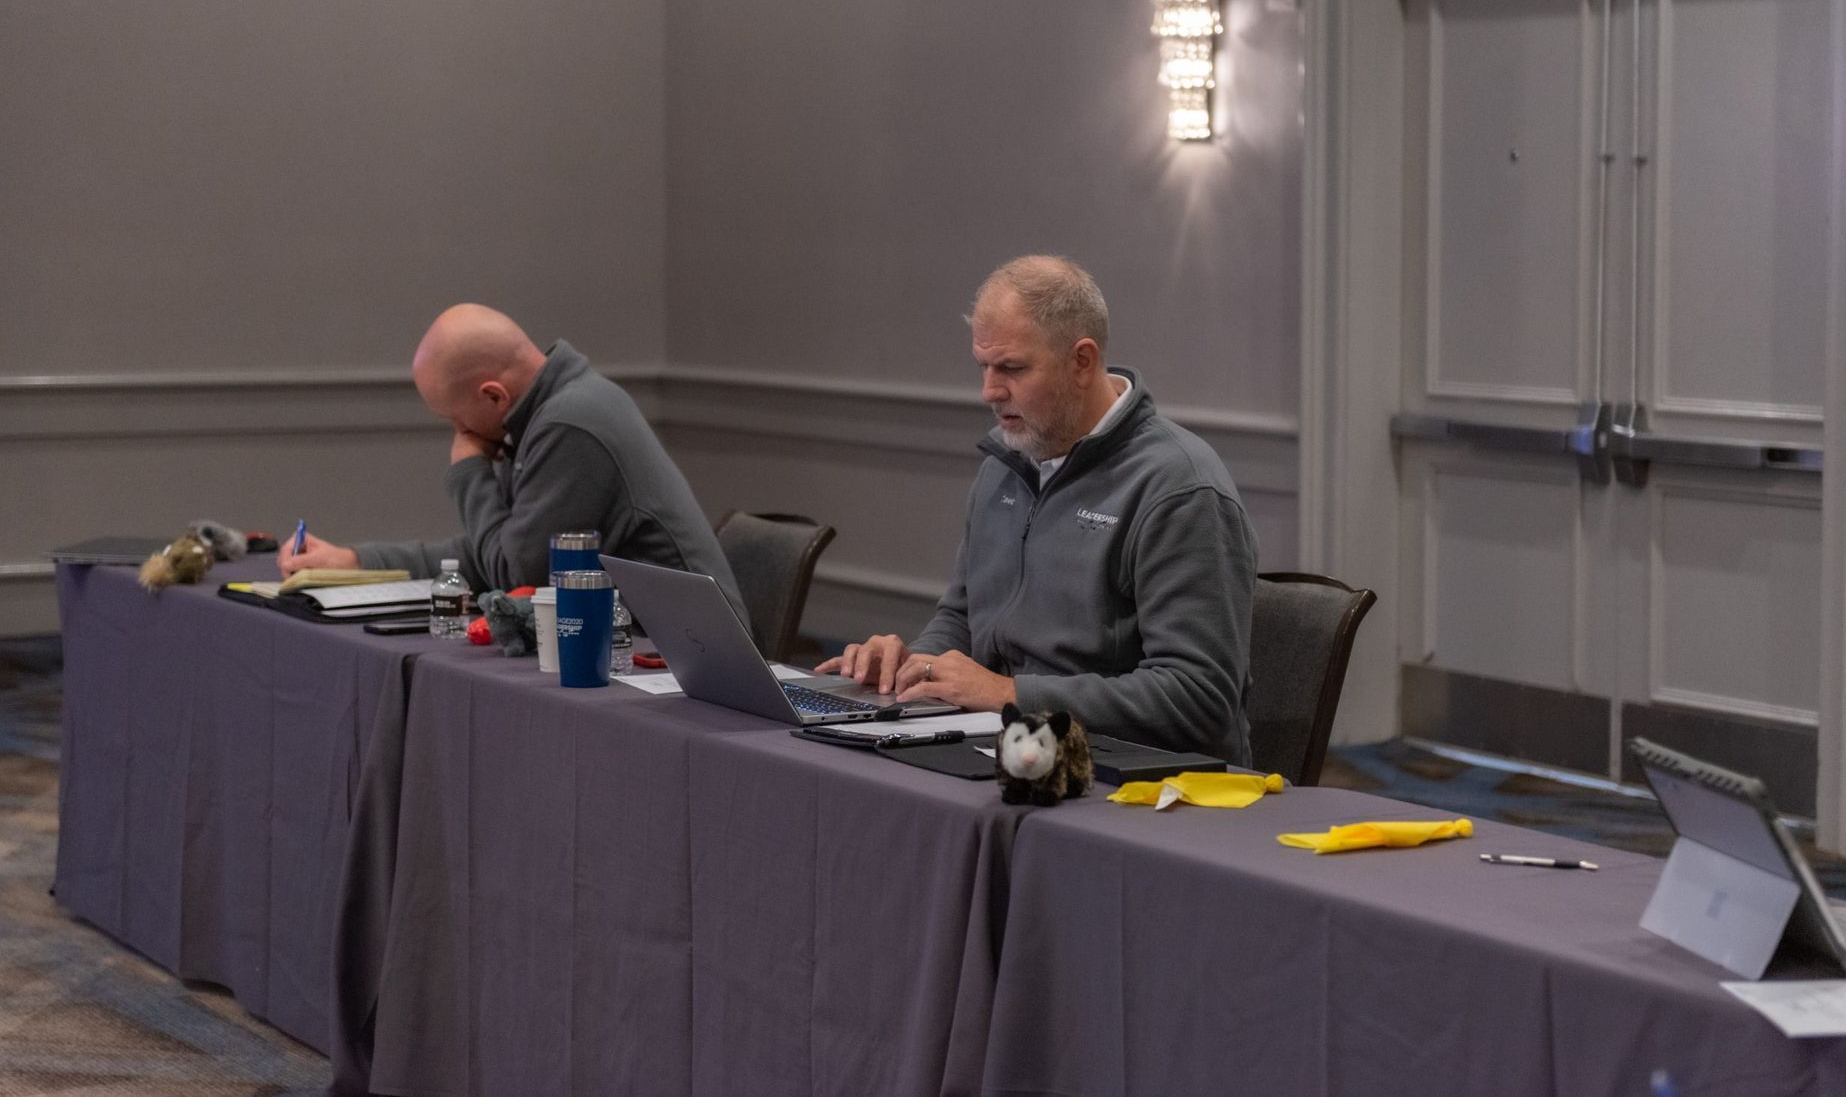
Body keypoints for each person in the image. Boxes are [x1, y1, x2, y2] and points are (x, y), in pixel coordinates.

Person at [817, 256, 1258, 764]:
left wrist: (1010, 694)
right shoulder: (1006, 464)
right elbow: (962, 619)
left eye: (1012, 368)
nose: (989, 391)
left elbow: (1200, 698)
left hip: (1134, 778)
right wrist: (914, 662)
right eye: (983, 366)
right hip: (1015, 748)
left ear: (1082, 362)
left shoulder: (1179, 487)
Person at [280, 304, 744, 612]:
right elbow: (492, 552)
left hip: (685, 661)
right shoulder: (547, 411)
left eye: (457, 421)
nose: (458, 434)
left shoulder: (570, 422)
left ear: (493, 396)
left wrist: (467, 471)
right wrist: (358, 560)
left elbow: (517, 574)